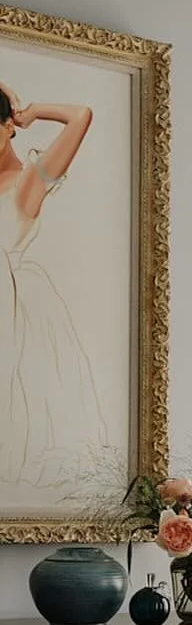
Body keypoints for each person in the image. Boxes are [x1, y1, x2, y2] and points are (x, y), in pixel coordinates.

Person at [0, 80, 103, 487]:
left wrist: (34, 110)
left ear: (8, 126)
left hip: (19, 312)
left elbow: (81, 116)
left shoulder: (29, 180)